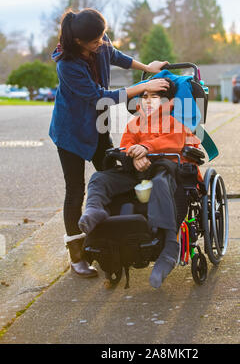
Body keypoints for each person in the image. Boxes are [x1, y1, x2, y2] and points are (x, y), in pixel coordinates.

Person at [49, 8, 170, 278]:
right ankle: (77, 256)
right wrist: (140, 88)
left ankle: (114, 236)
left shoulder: (100, 44)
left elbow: (117, 56)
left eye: (103, 37)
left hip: (98, 127)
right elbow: (99, 97)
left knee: (116, 174)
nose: (101, 43)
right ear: (79, 42)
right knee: (75, 191)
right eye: (95, 41)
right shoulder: (67, 65)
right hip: (70, 132)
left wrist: (147, 68)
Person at [78, 78, 202, 288]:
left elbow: (175, 140)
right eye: (145, 96)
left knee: (160, 181)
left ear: (168, 101)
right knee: (100, 178)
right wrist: (134, 156)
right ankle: (95, 210)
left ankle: (169, 246)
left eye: (155, 97)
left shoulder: (174, 122)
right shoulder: (134, 124)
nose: (148, 101)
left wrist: (146, 147)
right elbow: (126, 146)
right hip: (135, 172)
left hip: (167, 171)